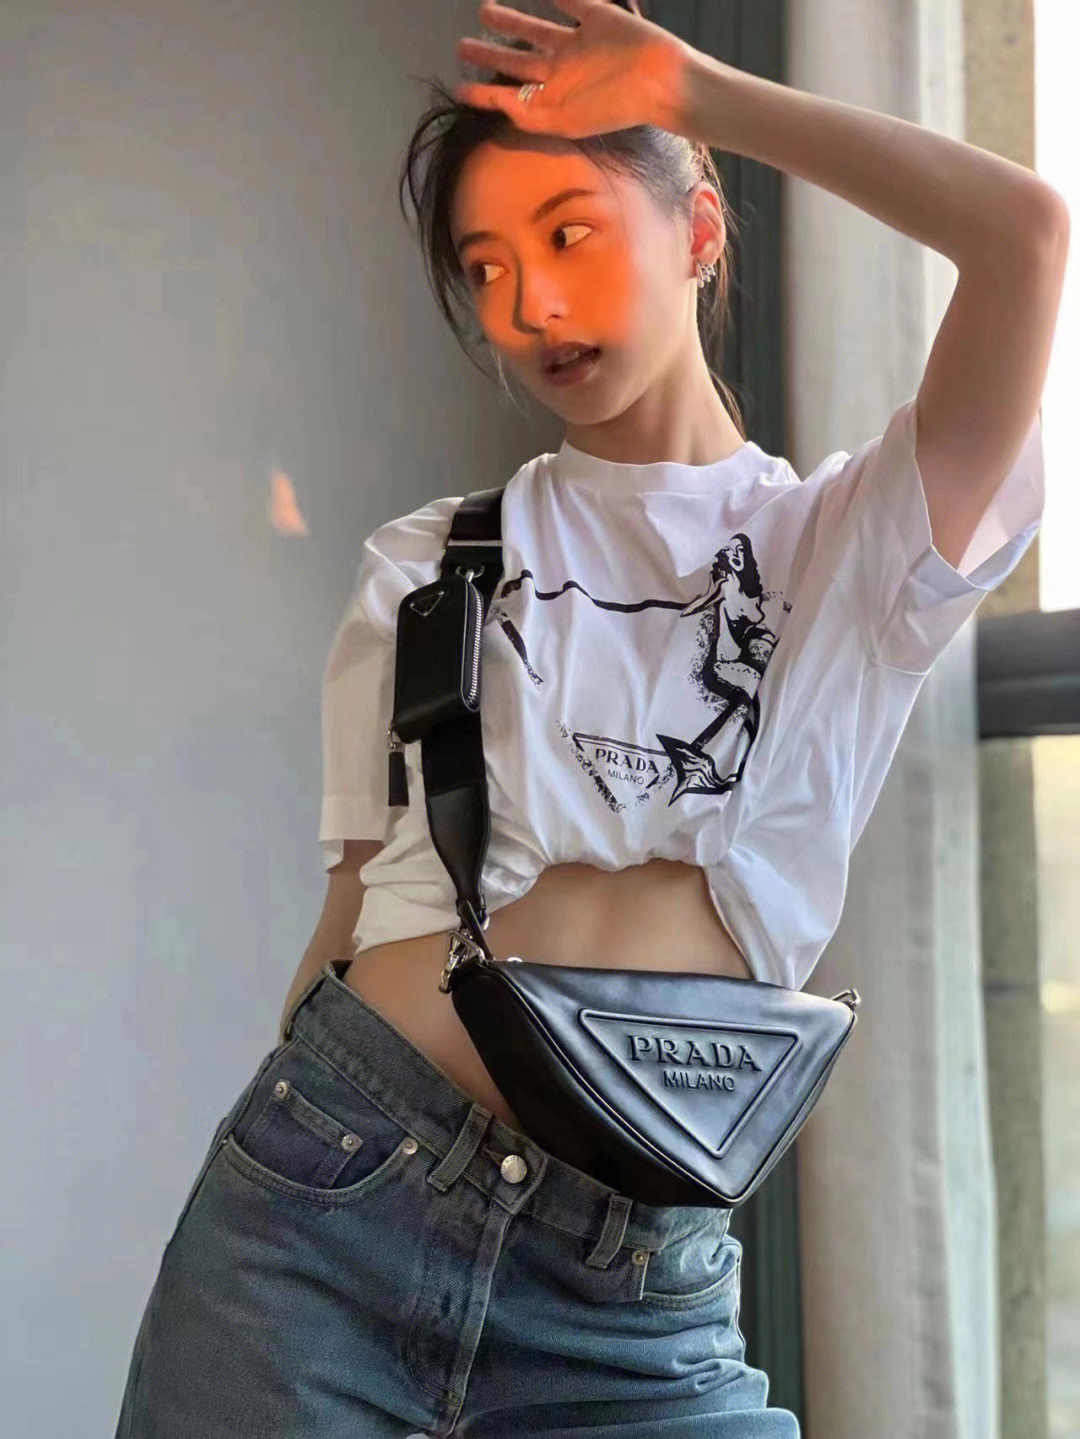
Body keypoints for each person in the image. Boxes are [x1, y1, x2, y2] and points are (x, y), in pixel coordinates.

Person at [114, 1, 1066, 1434]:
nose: (534, 306)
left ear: (699, 230)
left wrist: (698, 95)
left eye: (571, 235)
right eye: (489, 268)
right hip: (325, 1223)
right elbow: (350, 915)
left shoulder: (850, 544)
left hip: (634, 1298)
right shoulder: (428, 562)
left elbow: (1025, 236)